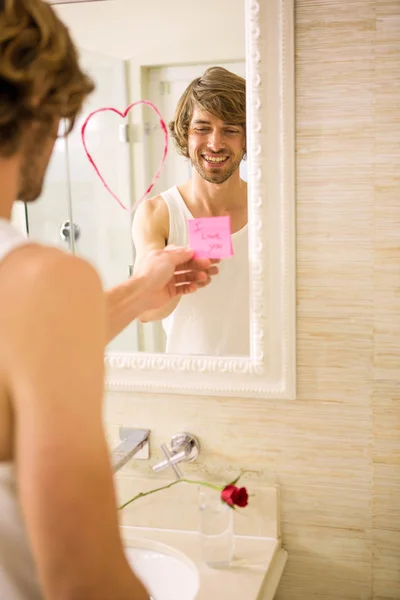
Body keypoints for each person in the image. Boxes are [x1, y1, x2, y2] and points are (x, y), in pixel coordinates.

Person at [0, 1, 217, 598]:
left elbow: (22, 343)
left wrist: (143, 286)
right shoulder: (40, 282)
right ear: (41, 107)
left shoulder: (32, 299)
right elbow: (86, 580)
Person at [132, 66, 250, 356]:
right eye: (202, 128)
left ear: (247, 139)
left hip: (266, 383)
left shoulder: (274, 207)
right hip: (190, 383)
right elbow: (145, 311)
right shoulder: (157, 214)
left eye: (230, 130)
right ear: (186, 133)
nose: (215, 143)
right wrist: (173, 281)